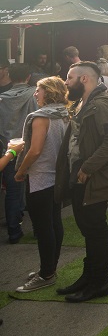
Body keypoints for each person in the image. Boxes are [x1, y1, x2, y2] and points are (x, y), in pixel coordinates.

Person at [54, 61, 108, 302]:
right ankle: (89, 277)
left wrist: (87, 167)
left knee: (94, 228)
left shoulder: (100, 105)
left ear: (84, 79)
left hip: (93, 177)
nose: (65, 82)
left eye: (69, 77)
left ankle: (100, 282)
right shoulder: (83, 103)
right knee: (88, 228)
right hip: (82, 175)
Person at [13, 77, 70, 292]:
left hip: (40, 178)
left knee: (44, 227)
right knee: (54, 222)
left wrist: (20, 171)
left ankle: (46, 274)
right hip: (59, 177)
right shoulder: (64, 114)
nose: (36, 94)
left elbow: (35, 150)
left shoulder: (40, 117)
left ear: (50, 92)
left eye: (39, 90)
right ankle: (49, 268)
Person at [0, 63, 37, 243]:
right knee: (34, 187)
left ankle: (14, 230)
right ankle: (37, 227)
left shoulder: (2, 98)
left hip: (7, 147)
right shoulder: (35, 95)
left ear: (10, 76)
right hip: (30, 145)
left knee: (12, 190)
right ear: (28, 76)